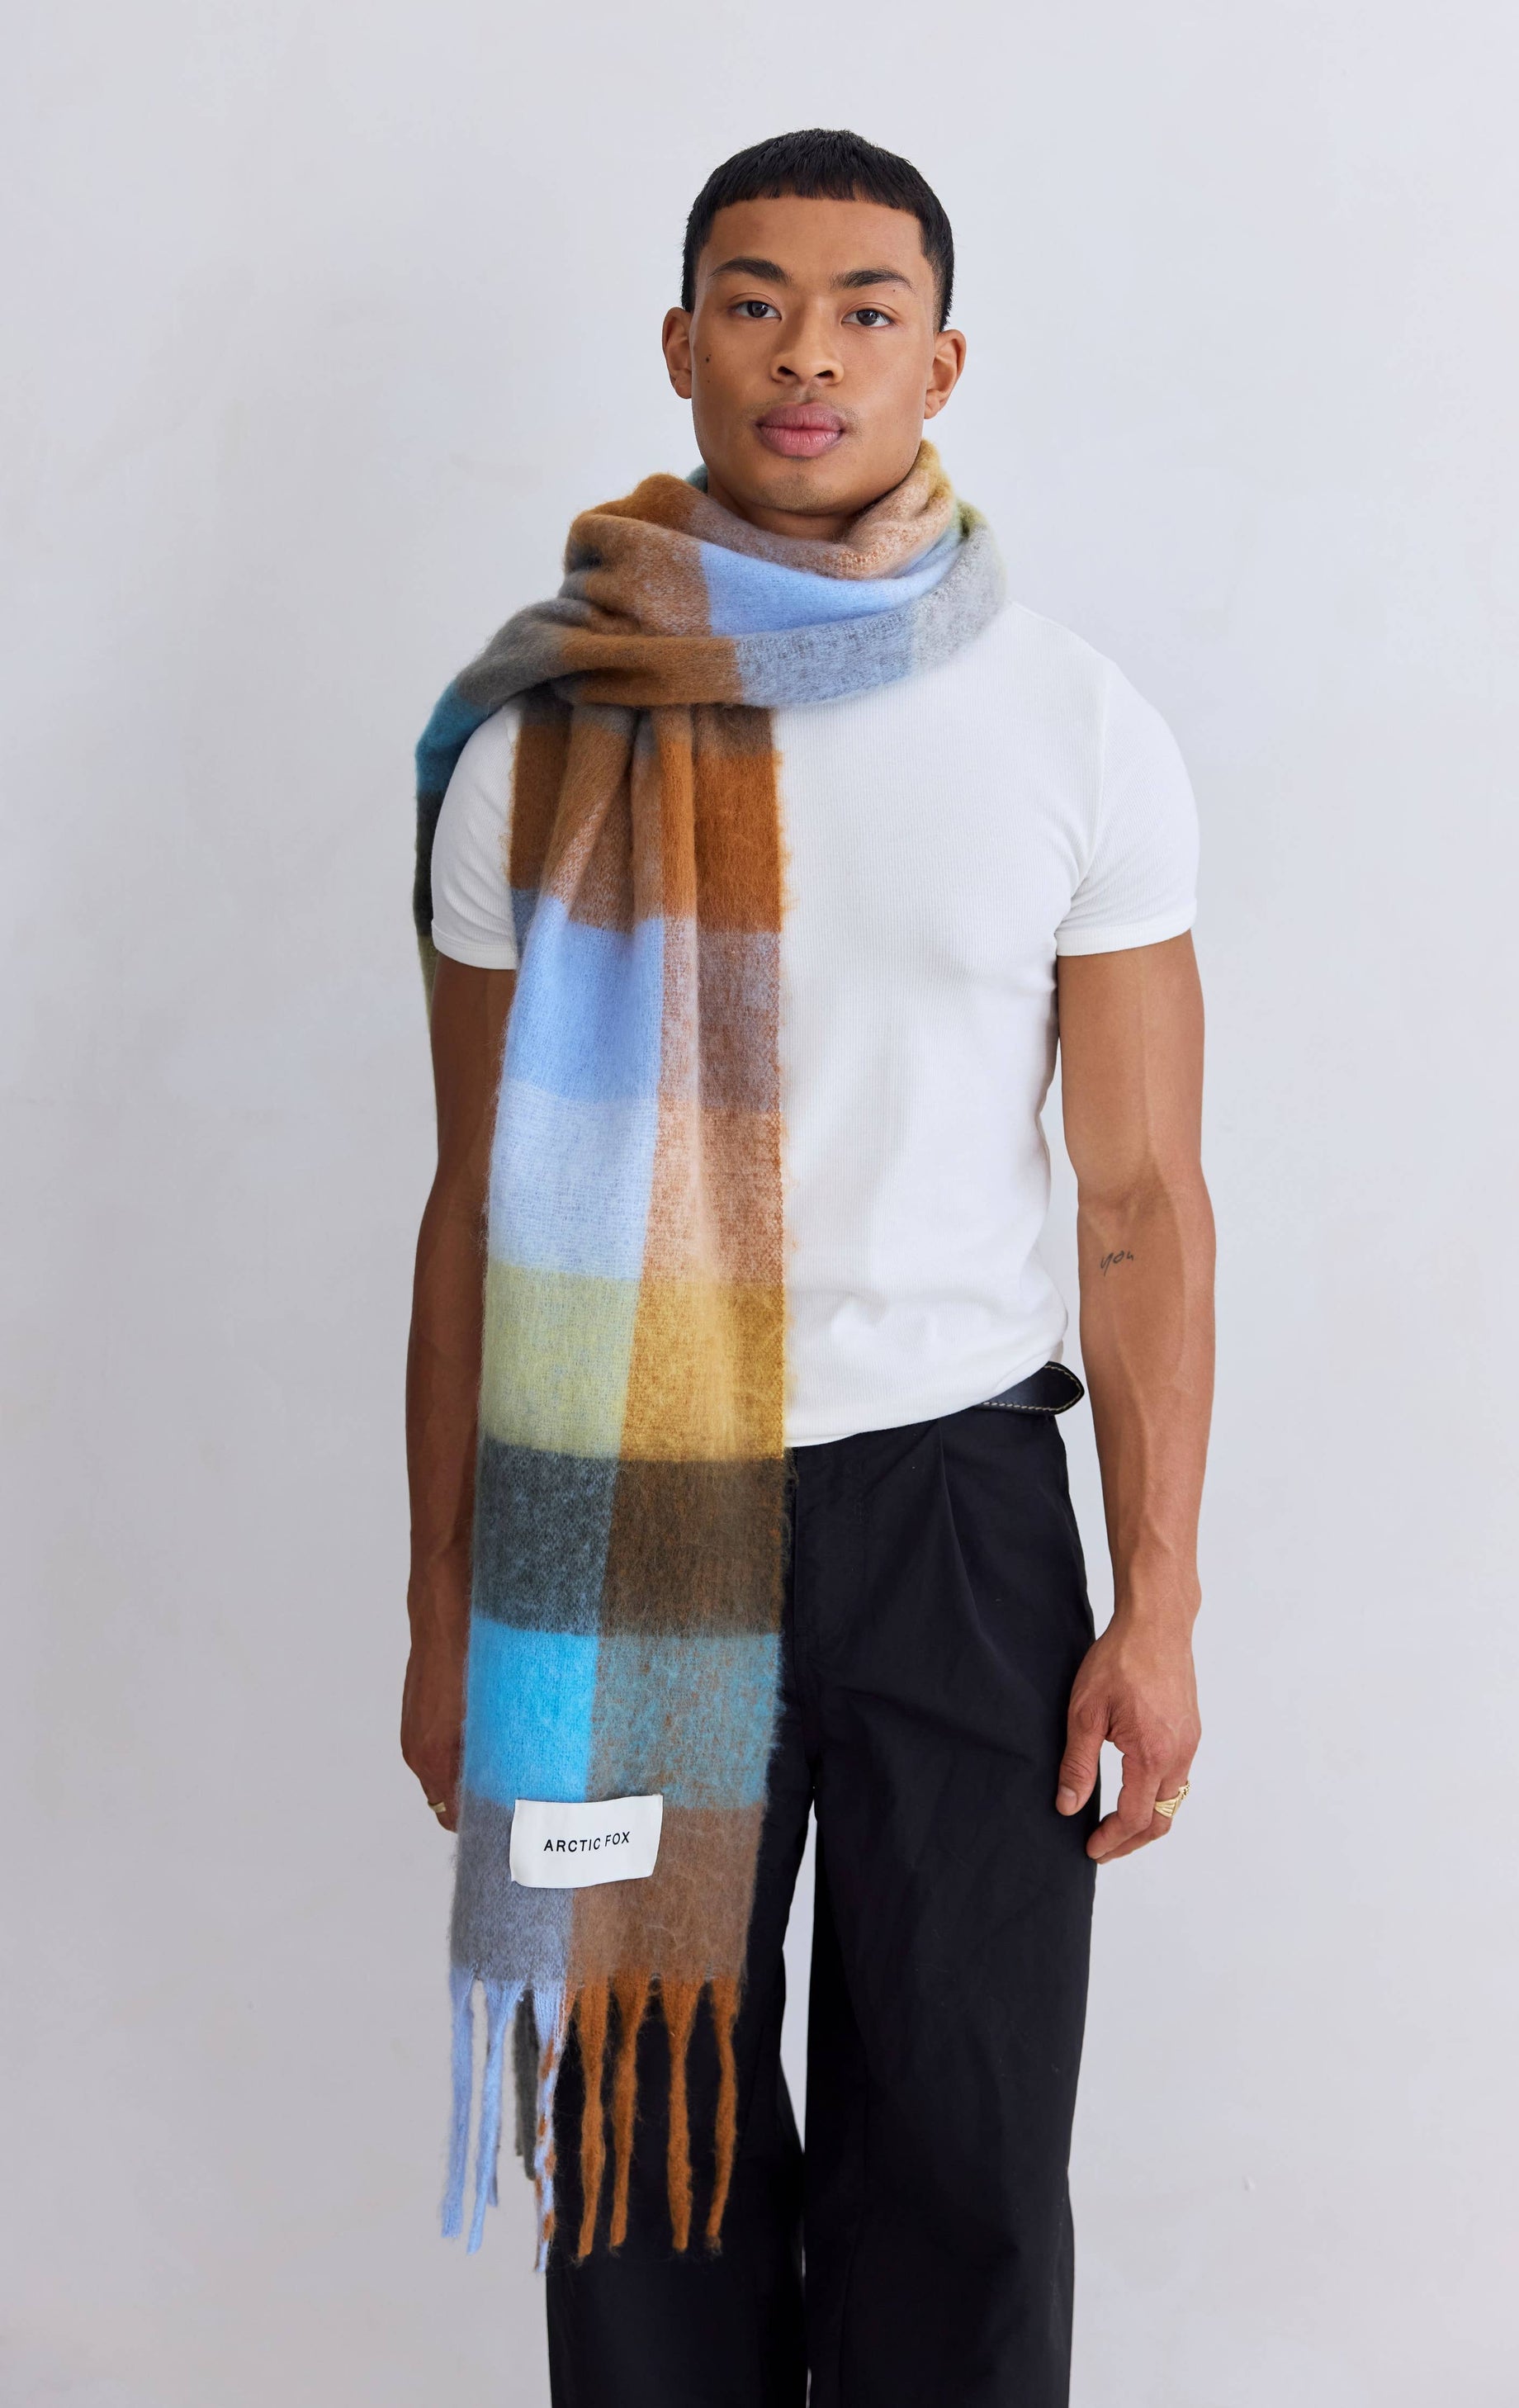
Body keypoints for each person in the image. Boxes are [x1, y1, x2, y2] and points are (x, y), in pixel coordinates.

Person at [402, 126, 1213, 2408]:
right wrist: (444, 1603)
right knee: (641, 2161)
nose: (807, 354)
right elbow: (473, 1208)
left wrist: (1154, 1601)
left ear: (941, 363)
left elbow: (1141, 1201)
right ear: (682, 345)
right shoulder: (536, 741)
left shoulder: (1069, 723)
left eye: (867, 309)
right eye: (755, 304)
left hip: (960, 1513)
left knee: (965, 2152)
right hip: (614, 1522)